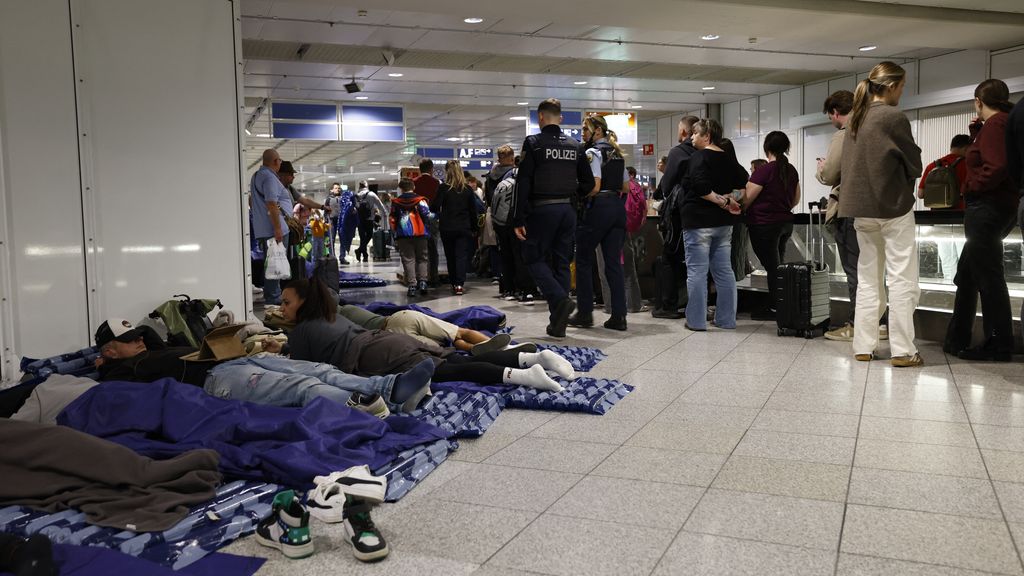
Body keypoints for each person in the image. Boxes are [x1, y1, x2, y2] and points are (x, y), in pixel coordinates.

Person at [265, 279, 576, 394]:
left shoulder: (304, 329)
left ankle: (525, 376)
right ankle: (532, 357)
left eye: (286, 302)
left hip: (377, 355)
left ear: (304, 304)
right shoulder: (329, 316)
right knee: (458, 357)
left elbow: (302, 369)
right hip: (388, 340)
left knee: (453, 369)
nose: (282, 307)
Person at [91, 318, 432, 415]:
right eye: (128, 340)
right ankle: (361, 409)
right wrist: (106, 363)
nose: (138, 341)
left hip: (233, 360)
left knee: (318, 370)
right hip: (215, 380)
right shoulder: (122, 371)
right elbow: (111, 389)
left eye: (138, 336)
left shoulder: (150, 350)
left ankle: (389, 389)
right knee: (300, 388)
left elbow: (150, 336)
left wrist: (138, 340)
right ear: (110, 350)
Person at [839, 61, 923, 367]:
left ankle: (863, 345)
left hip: (862, 212)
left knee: (868, 280)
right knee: (902, 280)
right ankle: (903, 350)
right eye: (901, 86)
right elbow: (914, 163)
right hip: (893, 208)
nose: (902, 92)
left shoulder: (855, 119)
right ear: (889, 86)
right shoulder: (892, 117)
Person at [944, 79, 1018, 362]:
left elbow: (997, 165)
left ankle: (998, 342)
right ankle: (957, 337)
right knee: (969, 272)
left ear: (978, 101)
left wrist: (972, 185)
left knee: (987, 276)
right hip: (993, 207)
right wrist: (977, 131)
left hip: (987, 208)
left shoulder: (997, 124)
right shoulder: (999, 124)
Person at [511, 98, 595, 338]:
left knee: (533, 257)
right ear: (560, 118)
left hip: (541, 210)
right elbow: (588, 183)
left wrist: (518, 218)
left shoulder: (534, 143)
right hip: (568, 211)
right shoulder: (575, 146)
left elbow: (524, 182)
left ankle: (559, 300)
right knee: (561, 261)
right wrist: (572, 196)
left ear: (539, 118)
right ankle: (558, 323)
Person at [681, 119, 747, 331]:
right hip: (723, 225)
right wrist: (730, 200)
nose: (691, 137)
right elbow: (743, 185)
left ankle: (696, 321)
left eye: (695, 133)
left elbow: (700, 187)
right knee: (724, 271)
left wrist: (723, 201)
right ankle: (726, 319)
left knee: (697, 272)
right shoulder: (729, 159)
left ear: (706, 136)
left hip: (698, 222)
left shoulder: (698, 157)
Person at [568, 114, 630, 331]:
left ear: (597, 131)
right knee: (613, 264)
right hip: (616, 208)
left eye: (585, 129)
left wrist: (578, 193)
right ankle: (619, 316)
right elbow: (626, 188)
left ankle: (585, 313)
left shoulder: (592, 153)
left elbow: (594, 186)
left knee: (583, 259)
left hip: (597, 209)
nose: (582, 134)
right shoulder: (617, 154)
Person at [740, 131, 800, 321]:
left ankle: (775, 307)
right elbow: (795, 198)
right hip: (785, 223)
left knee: (773, 268)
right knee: (777, 265)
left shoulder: (764, 171)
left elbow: (747, 198)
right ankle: (780, 305)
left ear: (767, 148)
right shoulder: (791, 169)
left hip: (764, 224)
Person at [652, 116, 701, 319]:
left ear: (684, 132)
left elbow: (668, 183)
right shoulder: (707, 152)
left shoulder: (678, 152)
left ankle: (669, 305)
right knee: (698, 262)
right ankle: (696, 305)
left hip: (679, 215)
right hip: (705, 214)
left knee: (670, 258)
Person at [336, 304, 533, 355]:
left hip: (392, 335)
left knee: (444, 350)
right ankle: (493, 346)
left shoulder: (334, 321)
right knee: (460, 331)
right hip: (402, 317)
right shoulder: (348, 308)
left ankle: (470, 350)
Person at [487, 145, 537, 305]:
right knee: (521, 255)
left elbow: (490, 199)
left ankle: (508, 289)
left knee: (505, 255)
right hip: (519, 219)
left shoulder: (491, 176)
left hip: (500, 221)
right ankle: (525, 290)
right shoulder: (521, 175)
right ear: (512, 157)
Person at [918, 134, 970, 282]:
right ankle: (963, 292)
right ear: (966, 148)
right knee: (964, 259)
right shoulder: (969, 165)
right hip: (962, 218)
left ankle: (949, 290)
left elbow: (921, 194)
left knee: (947, 260)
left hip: (938, 219)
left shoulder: (934, 165)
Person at [250, 150, 294, 305]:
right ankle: (274, 299)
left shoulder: (256, 176)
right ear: (276, 161)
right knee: (276, 264)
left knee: (272, 264)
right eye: (280, 160)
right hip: (273, 230)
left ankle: (272, 295)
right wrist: (277, 228)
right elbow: (271, 203)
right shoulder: (269, 177)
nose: (281, 163)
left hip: (264, 229)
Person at [433, 160, 479, 296]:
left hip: (447, 227)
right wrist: (475, 228)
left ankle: (454, 282)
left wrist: (443, 212)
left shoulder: (443, 188)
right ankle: (459, 284)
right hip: (464, 227)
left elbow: (435, 207)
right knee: (461, 256)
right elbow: (473, 211)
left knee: (450, 256)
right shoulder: (468, 189)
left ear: (447, 172)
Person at [389, 178, 433, 297]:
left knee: (408, 260)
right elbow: (427, 215)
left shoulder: (396, 202)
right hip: (420, 233)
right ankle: (423, 283)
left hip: (403, 234)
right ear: (413, 187)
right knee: (422, 258)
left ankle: (412, 286)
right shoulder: (420, 200)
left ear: (401, 189)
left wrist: (395, 234)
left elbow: (392, 219)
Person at [414, 159, 442, 285]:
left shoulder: (413, 183)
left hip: (417, 220)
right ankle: (434, 277)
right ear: (431, 169)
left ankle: (421, 278)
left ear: (420, 169)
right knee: (433, 249)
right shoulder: (438, 183)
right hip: (433, 219)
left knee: (419, 250)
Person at [353, 183, 387, 263]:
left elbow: (354, 207)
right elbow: (379, 204)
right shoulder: (371, 194)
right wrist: (384, 212)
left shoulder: (356, 196)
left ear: (359, 186)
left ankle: (364, 255)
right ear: (366, 186)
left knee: (362, 238)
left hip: (360, 219)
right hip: (369, 218)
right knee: (369, 235)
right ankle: (360, 251)